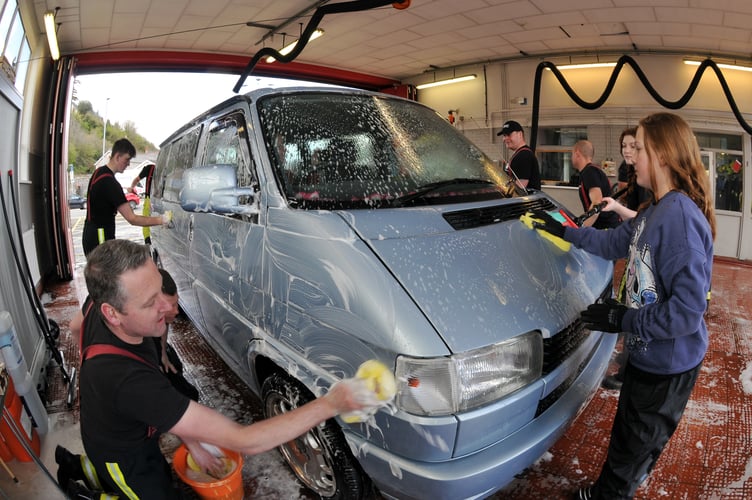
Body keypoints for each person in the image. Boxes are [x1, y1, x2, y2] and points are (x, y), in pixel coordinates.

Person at [59, 239, 376, 498]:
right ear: (112, 314)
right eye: (149, 302)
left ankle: (80, 466)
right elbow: (247, 440)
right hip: (120, 453)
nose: (168, 307)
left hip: (117, 424)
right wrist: (332, 403)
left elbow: (76, 328)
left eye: (161, 290)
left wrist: (192, 440)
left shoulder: (101, 307)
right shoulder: (128, 382)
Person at [531, 112, 715, 499]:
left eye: (640, 149)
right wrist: (564, 232)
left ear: (663, 156)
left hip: (668, 366)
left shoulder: (679, 219)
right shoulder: (654, 209)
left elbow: (686, 312)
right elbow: (615, 243)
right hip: (647, 356)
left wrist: (624, 318)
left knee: (635, 450)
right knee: (627, 436)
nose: (632, 158)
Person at [82, 139, 167, 255]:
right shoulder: (110, 182)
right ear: (117, 157)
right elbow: (132, 218)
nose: (128, 164)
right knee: (106, 272)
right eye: (127, 159)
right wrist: (161, 220)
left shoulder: (99, 172)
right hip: (100, 239)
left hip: (90, 234)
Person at [155, 268, 200, 401]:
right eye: (171, 306)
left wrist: (163, 355)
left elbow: (165, 324)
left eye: (177, 303)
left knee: (175, 366)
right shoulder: (138, 330)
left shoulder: (161, 316)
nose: (176, 311)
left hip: (156, 353)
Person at [571, 140, 619, 229]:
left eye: (572, 154)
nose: (571, 157)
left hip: (605, 230)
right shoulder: (591, 171)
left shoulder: (589, 172)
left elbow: (597, 202)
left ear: (577, 153)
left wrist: (582, 227)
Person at [496, 120, 541, 191]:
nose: (504, 139)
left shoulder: (524, 155)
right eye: (504, 135)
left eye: (509, 134)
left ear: (520, 134)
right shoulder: (519, 154)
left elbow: (520, 188)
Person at [616, 127, 651, 213]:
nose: (626, 151)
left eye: (633, 146)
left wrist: (616, 207)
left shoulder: (645, 177)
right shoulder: (628, 168)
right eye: (624, 146)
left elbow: (645, 217)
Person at [128, 161, 156, 244]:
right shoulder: (166, 168)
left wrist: (131, 187)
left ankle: (148, 241)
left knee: (146, 221)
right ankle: (149, 241)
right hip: (159, 198)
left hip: (150, 199)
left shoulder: (150, 168)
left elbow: (137, 179)